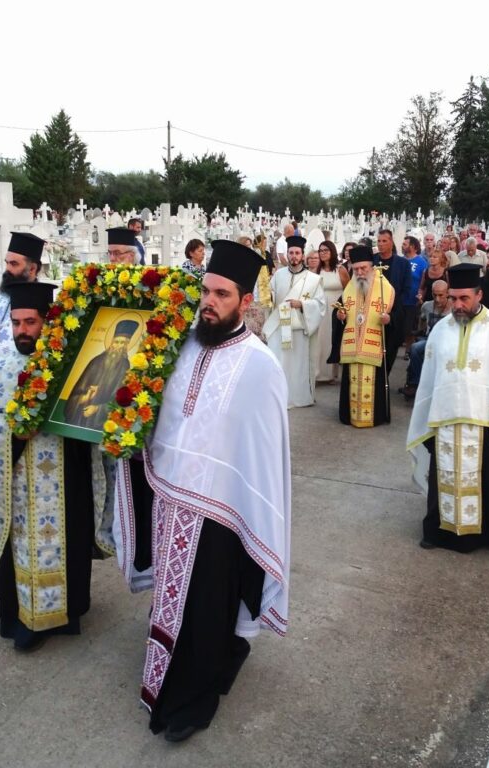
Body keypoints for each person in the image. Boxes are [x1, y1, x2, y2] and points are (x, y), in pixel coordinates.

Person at [113, 239, 290, 742]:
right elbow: (162, 415)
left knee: (207, 609)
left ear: (245, 301)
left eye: (222, 294)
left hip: (221, 513)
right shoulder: (181, 344)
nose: (209, 302)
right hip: (170, 499)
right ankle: (169, 676)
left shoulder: (260, 366)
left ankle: (192, 702)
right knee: (172, 602)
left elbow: (264, 455)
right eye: (206, 291)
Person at [0, 281, 112, 652]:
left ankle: (68, 612)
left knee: (69, 539)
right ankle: (22, 620)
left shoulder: (71, 363)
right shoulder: (0, 363)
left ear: (48, 322)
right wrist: (14, 431)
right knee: (20, 550)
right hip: (16, 483)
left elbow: (91, 413)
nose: (22, 331)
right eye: (16, 323)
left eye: (30, 322)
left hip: (65, 474)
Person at [407, 263, 489, 553]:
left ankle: (488, 534)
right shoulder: (441, 330)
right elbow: (429, 379)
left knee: (488, 479)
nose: (457, 305)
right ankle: (437, 532)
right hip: (445, 419)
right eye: (453, 298)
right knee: (442, 477)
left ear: (479, 295)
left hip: (486, 421)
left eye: (464, 298)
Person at [0, 231, 45, 505]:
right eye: (7, 262)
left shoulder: (46, 299)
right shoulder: (2, 298)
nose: (8, 269)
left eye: (14, 264)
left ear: (32, 268)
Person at [263, 235, 327, 407]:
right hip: (279, 326)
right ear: (287, 254)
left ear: (302, 255)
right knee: (279, 362)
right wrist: (268, 297)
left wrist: (302, 304)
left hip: (299, 328)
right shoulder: (278, 275)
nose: (294, 256)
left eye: (297, 253)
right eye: (291, 253)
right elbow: (270, 296)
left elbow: (320, 304)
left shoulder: (313, 279)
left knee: (298, 365)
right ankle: (279, 397)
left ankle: (298, 397)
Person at [337, 246, 393, 427]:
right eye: (356, 269)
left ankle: (376, 416)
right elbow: (340, 309)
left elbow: (398, 315)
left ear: (372, 266)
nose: (360, 273)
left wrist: (388, 319)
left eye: (363, 268)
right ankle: (349, 415)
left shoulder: (385, 287)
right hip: (353, 345)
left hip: (374, 345)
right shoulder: (350, 287)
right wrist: (340, 316)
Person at [63, 319, 139, 431]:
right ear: (111, 342)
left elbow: (120, 398)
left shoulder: (125, 366)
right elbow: (77, 392)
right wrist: (85, 397)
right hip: (81, 416)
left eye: (123, 343)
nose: (119, 346)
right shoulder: (96, 361)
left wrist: (98, 409)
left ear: (127, 345)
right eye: (116, 342)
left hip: (101, 423)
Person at [399, 279, 450, 401]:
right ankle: (414, 384)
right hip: (430, 339)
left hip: (447, 342)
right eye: (434, 295)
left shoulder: (453, 308)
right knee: (415, 348)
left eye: (441, 295)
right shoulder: (427, 306)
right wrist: (420, 331)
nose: (437, 299)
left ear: (447, 293)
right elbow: (421, 321)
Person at [373, 229, 411, 374]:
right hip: (373, 310)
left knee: (390, 350)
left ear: (391, 242)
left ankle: (384, 377)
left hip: (394, 312)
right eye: (379, 241)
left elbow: (406, 288)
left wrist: (394, 308)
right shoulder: (372, 261)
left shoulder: (402, 264)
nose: (381, 244)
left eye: (384, 241)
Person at [313, 240, 349, 384]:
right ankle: (318, 373)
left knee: (332, 339)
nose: (323, 253)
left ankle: (331, 374)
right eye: (320, 250)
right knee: (319, 340)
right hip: (320, 308)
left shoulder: (340, 270)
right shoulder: (317, 270)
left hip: (336, 308)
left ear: (332, 251)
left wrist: (344, 309)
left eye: (326, 250)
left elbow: (348, 290)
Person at [402, 235, 429, 353]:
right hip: (400, 299)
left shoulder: (421, 262)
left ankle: (408, 350)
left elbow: (424, 281)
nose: (402, 246)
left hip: (412, 300)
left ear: (412, 246)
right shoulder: (401, 260)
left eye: (405, 244)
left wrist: (421, 296)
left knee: (410, 328)